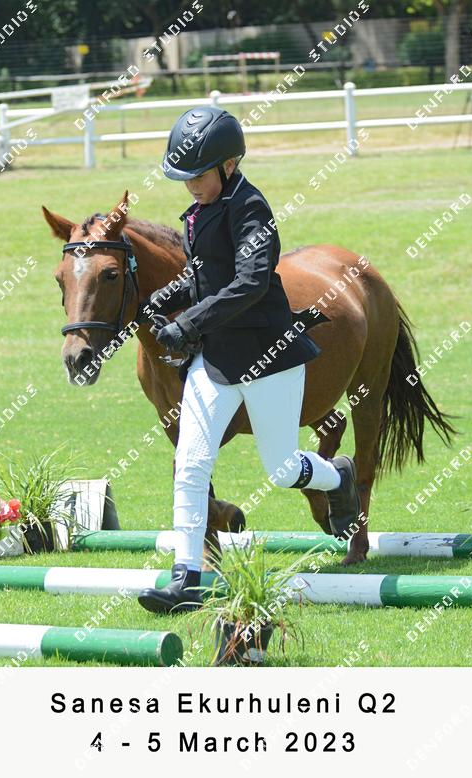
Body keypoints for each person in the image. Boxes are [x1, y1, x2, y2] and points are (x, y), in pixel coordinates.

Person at [135, 107, 359, 615]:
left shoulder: (252, 209)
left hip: (268, 357)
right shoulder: (198, 212)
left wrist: (187, 324)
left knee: (282, 469)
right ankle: (186, 579)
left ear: (230, 165)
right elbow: (203, 276)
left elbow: (249, 283)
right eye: (184, 176)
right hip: (215, 362)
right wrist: (165, 299)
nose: (190, 185)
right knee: (190, 465)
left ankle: (338, 476)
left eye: (198, 175)